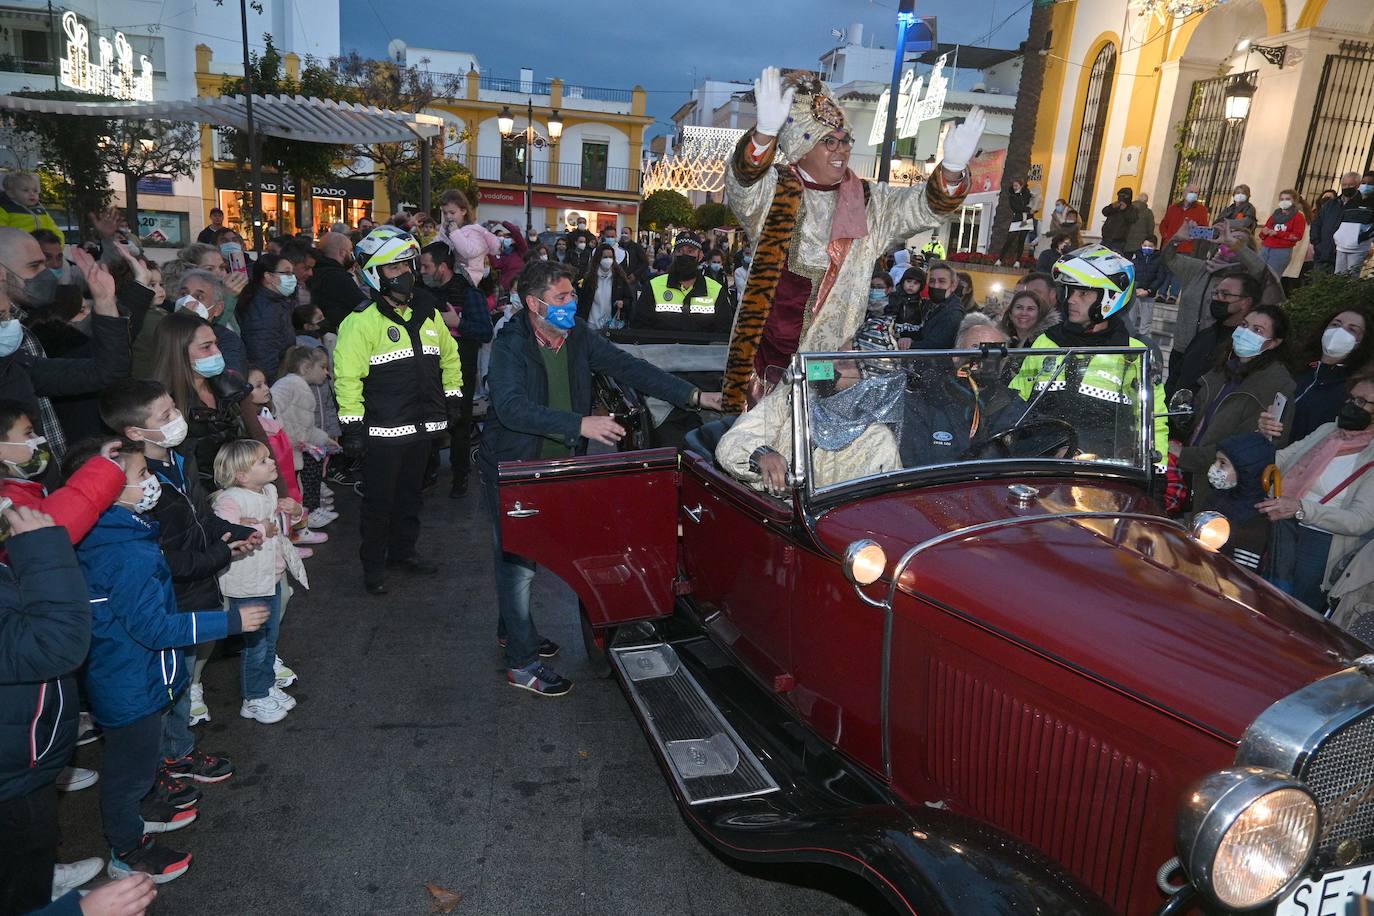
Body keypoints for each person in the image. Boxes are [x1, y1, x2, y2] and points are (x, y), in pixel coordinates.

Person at [480, 260, 721, 695]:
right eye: (561, 298)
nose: (572, 303)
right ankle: (521, 663)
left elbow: (631, 368)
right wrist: (581, 425)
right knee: (518, 566)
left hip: (557, 465)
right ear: (535, 305)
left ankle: (513, 632)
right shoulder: (510, 345)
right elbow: (510, 408)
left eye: (572, 295)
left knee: (528, 554)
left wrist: (694, 394)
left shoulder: (577, 337)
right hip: (513, 467)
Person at [721, 67, 980, 411]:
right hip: (768, 369)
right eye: (829, 141)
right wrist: (764, 135)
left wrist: (951, 170)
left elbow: (920, 207)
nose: (841, 149)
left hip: (831, 371)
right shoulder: (776, 190)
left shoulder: (870, 201)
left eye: (845, 140)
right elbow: (743, 186)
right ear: (803, 146)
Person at [73, 439, 268, 883]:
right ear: (103, 491)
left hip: (138, 678)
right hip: (129, 686)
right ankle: (127, 849)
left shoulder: (123, 531)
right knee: (127, 773)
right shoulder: (124, 552)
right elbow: (154, 629)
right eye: (141, 476)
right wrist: (229, 622)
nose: (151, 482)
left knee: (139, 766)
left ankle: (146, 807)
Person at [99, 380, 251, 770]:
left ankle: (178, 749)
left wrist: (233, 533)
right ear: (134, 433)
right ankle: (173, 756)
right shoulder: (138, 486)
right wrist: (220, 554)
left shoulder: (180, 458)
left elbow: (200, 516)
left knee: (180, 680)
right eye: (165, 416)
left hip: (198, 585)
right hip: (171, 598)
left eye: (174, 410)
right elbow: (164, 559)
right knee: (170, 685)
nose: (177, 419)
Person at [0, 501, 116, 914]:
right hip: (14, 776)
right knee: (21, 868)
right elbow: (56, 645)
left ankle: (42, 876)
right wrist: (42, 548)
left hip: (22, 759)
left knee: (31, 848)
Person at [334, 227, 462, 595]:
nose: (404, 273)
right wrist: (353, 428)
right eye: (393, 268)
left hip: (423, 428)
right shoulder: (360, 322)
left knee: (412, 496)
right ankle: (373, 567)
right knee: (379, 504)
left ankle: (404, 553)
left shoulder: (427, 310)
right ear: (374, 274)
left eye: (407, 264)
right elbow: (347, 379)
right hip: (384, 432)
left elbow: (450, 358)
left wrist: (452, 400)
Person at [1010, 244, 1168, 466]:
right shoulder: (1048, 341)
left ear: (1111, 296)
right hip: (1039, 463)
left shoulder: (1133, 354)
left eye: (1083, 293)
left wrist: (1157, 472)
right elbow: (1017, 400)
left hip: (1102, 472)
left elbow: (1153, 422)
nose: (1072, 300)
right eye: (1071, 291)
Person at [0, 232, 132, 461]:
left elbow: (106, 372)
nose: (46, 274)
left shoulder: (20, 359)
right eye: (34, 266)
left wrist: (105, 302)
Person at [1258, 376, 1374, 612]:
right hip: (1282, 522)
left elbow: (1360, 520)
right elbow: (1281, 460)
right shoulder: (1329, 430)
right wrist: (1262, 436)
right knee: (1261, 599)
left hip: (1320, 545)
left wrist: (1301, 508)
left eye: (1362, 402)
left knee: (1291, 613)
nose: (1352, 406)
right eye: (1351, 399)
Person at [211, 440, 307, 724]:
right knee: (256, 644)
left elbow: (284, 525)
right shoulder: (230, 500)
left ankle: (265, 686)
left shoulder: (267, 490)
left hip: (272, 576)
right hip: (248, 583)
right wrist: (256, 528)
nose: (271, 462)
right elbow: (222, 532)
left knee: (270, 638)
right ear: (242, 475)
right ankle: (253, 698)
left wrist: (295, 511)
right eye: (263, 461)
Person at [1175, 304, 1293, 509]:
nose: (1246, 333)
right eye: (1245, 325)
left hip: (1220, 488)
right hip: (1188, 474)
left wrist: (1183, 456)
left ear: (1273, 343)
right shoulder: (1224, 369)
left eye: (1257, 330)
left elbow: (1244, 449)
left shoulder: (1276, 387)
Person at [1160, 219, 1275, 392]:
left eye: (1238, 241)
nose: (1228, 243)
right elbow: (1168, 259)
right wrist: (1177, 238)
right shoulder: (1199, 269)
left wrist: (1234, 243)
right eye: (1226, 238)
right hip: (1184, 349)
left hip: (1216, 353)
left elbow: (1264, 272)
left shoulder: (1248, 278)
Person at [901, 314, 1029, 466]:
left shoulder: (1014, 404)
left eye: (995, 351)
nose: (987, 357)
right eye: (977, 348)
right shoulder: (926, 399)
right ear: (956, 356)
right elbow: (914, 466)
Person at [418, 242, 490, 497]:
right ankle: (429, 472)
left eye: (426, 266)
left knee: (459, 424)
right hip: (427, 371)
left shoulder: (469, 294)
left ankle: (460, 477)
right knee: (427, 423)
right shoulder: (421, 293)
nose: (422, 271)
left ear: (443, 267)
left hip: (460, 371)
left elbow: (485, 330)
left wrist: (458, 322)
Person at [1263, 307, 1374, 444]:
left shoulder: (1351, 390)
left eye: (1352, 329)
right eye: (1335, 324)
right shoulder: (1299, 369)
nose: (1339, 331)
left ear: (1361, 342)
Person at [1164, 273, 1260, 400]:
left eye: (1225, 294)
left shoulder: (1244, 346)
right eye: (1216, 293)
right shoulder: (1205, 334)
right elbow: (1177, 375)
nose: (1217, 299)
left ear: (1246, 302)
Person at [270, 348, 337, 527]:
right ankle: (294, 528)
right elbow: (272, 406)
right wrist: (283, 434)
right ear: (306, 367)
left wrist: (324, 439)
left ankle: (298, 527)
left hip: (292, 453)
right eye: (322, 367)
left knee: (295, 491)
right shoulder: (290, 384)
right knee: (289, 492)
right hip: (285, 453)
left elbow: (307, 429)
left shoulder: (299, 386)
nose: (326, 372)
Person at [1199, 432, 1276, 570]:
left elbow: (1242, 573)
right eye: (1215, 460)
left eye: (1222, 463)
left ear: (1246, 471)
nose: (1215, 468)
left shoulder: (1256, 519)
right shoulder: (1216, 498)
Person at [629, 234, 733, 337]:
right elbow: (639, 327)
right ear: (674, 254)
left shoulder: (715, 290)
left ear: (700, 255)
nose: (684, 255)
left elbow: (724, 331)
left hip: (702, 353)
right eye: (680, 251)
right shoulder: (654, 286)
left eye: (690, 251)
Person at [237, 254, 298, 383]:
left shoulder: (277, 302)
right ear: (268, 276)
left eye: (292, 273)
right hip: (273, 380)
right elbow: (263, 354)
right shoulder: (263, 308)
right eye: (286, 273)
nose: (292, 278)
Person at [436, 189, 499, 285]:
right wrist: (443, 232)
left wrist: (455, 233)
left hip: (470, 279)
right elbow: (438, 246)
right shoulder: (450, 230)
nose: (448, 217)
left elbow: (468, 251)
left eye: (452, 213)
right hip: (454, 276)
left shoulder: (474, 231)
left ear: (463, 211)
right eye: (445, 213)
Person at [895, 261, 963, 349]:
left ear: (953, 286)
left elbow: (935, 346)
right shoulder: (934, 305)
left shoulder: (953, 313)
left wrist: (902, 347)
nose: (936, 285)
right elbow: (924, 333)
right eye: (932, 281)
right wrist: (906, 338)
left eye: (942, 281)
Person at [309, 232, 367, 330]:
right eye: (350, 251)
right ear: (342, 253)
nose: (352, 255)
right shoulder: (338, 277)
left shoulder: (316, 270)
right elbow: (363, 304)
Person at [576, 242, 634, 331]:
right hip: (591, 323)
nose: (608, 260)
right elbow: (582, 301)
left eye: (610, 257)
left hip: (611, 325)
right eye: (605, 257)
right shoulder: (589, 278)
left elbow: (629, 298)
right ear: (598, 258)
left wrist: (623, 302)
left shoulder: (619, 278)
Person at [1311, 172, 1360, 273]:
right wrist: (1317, 243)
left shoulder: (1361, 205)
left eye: (1351, 185)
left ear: (1358, 185)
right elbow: (1317, 224)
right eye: (1344, 185)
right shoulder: (1330, 204)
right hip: (1323, 254)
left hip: (1345, 255)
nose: (1347, 187)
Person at [0, 172, 63, 244]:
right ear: (11, 193)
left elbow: (54, 229)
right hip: (19, 250)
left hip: (44, 250)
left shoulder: (41, 211)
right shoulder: (5, 210)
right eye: (25, 190)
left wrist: (58, 243)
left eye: (35, 191)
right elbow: (2, 233)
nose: (32, 194)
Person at [1258, 189, 1308, 277]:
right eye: (1282, 199)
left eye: (1287, 199)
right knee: (1258, 275)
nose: (1284, 201)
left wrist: (1278, 233)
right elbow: (1264, 231)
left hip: (1281, 250)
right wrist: (1263, 232)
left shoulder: (1298, 216)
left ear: (1294, 201)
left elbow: (1297, 236)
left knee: (1271, 277)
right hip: (1265, 248)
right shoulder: (1276, 214)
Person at [1333, 170, 1374, 275]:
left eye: (1370, 184)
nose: (1366, 186)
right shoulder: (1354, 200)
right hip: (1342, 245)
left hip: (1359, 247)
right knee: (1338, 276)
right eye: (1363, 183)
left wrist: (1362, 238)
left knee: (1352, 278)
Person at [1131, 235, 1163, 340]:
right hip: (1134, 294)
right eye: (1145, 245)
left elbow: (1160, 277)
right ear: (1141, 245)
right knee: (1130, 322)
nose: (1147, 248)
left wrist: (1149, 291)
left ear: (1155, 247)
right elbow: (1131, 275)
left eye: (1150, 246)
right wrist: (1135, 288)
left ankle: (1143, 347)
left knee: (1145, 324)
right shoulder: (1135, 258)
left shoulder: (1159, 260)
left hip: (1149, 296)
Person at [999, 178, 1034, 264]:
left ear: (1021, 186)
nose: (1014, 187)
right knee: (1010, 239)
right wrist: (1027, 209)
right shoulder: (1012, 196)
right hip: (1018, 219)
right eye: (1014, 185)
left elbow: (1031, 203)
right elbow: (1015, 208)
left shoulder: (1027, 194)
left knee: (1021, 240)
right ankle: (1000, 258)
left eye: (1016, 185)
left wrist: (1028, 209)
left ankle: (1018, 260)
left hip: (1026, 219)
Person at [490, 221, 527, 292]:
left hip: (517, 287)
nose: (508, 239)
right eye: (507, 237)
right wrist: (491, 250)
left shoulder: (522, 250)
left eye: (511, 237)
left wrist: (502, 223)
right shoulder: (505, 254)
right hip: (505, 289)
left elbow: (516, 232)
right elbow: (496, 264)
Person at [1099, 187, 1137, 252]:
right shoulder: (1115, 204)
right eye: (1120, 195)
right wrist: (1111, 207)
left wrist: (1124, 210)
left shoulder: (1132, 209)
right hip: (1106, 238)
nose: (1121, 197)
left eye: (1124, 196)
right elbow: (1104, 212)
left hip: (1118, 241)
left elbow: (1132, 219)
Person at [1124, 192, 1156, 256]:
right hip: (1141, 242)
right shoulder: (1148, 212)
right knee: (1139, 260)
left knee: (1126, 258)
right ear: (1146, 201)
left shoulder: (1127, 209)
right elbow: (1150, 228)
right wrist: (1149, 238)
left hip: (1126, 239)